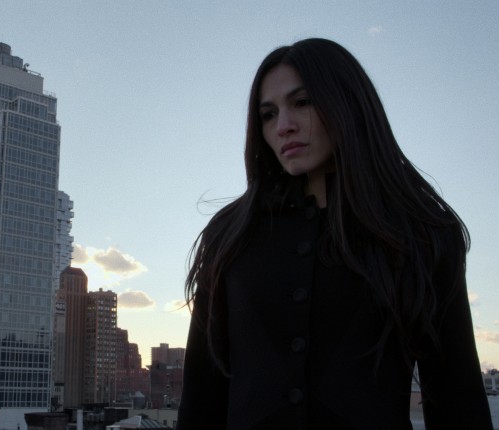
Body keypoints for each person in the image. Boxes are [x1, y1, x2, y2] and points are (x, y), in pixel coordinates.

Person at [177, 38, 492, 429]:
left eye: (302, 102)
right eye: (268, 114)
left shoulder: (423, 235)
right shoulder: (231, 235)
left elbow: (457, 399)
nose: (283, 126)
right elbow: (201, 399)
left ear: (347, 103)